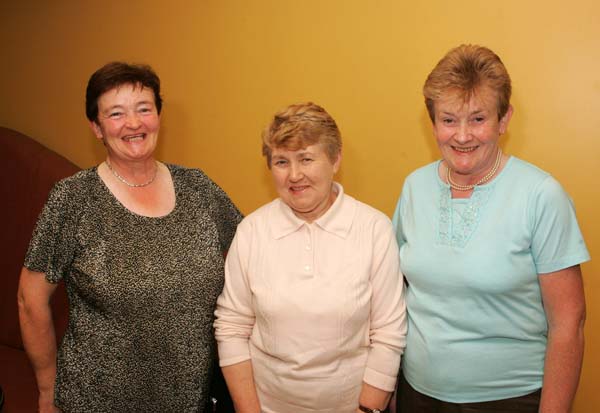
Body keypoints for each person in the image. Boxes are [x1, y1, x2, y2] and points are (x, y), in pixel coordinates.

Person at [17, 62, 242, 412]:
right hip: (96, 401)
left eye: (144, 109)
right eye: (116, 113)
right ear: (97, 128)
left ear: (158, 116)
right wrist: (48, 391)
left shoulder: (199, 188)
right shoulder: (73, 199)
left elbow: (253, 255)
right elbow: (30, 301)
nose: (134, 123)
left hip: (189, 399)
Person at [392, 44, 590, 412]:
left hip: (510, 399)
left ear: (504, 119)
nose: (462, 136)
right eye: (449, 120)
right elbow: (394, 294)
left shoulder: (541, 196)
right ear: (432, 122)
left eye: (478, 119)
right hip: (417, 394)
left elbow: (569, 324)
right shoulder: (413, 187)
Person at [214, 102, 407, 413]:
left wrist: (367, 410)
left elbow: (388, 333)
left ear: (335, 159)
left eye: (306, 159)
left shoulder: (374, 230)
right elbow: (232, 327)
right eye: (281, 161)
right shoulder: (252, 231)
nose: (294, 175)